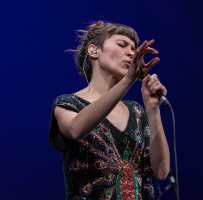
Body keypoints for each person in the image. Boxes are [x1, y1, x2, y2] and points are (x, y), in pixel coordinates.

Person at [49, 20, 170, 200]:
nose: (131, 52)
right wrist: (128, 80)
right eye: (122, 45)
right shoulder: (67, 103)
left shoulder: (136, 111)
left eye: (133, 48)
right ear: (94, 50)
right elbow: (75, 129)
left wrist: (152, 111)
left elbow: (161, 172)